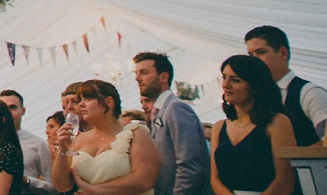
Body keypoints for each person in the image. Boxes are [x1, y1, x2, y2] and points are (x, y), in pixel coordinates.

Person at [53, 80, 159, 195]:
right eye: (81, 100)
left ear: (109, 102)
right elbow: (62, 186)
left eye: (88, 98)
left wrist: (94, 191)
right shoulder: (78, 139)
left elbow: (144, 180)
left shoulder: (136, 133)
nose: (81, 104)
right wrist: (63, 150)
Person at [210, 55, 295, 195]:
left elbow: (284, 181)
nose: (226, 85)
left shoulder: (277, 122)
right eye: (224, 77)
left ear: (255, 87)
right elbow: (215, 179)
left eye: (235, 80)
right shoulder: (219, 127)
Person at [133, 52, 211, 195]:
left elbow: (189, 164)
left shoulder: (176, 108)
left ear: (163, 77)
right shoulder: (160, 110)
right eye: (136, 73)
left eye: (143, 73)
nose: (137, 79)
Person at [244, 26, 327, 145]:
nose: (254, 61)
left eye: (261, 52)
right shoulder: (253, 95)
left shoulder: (309, 93)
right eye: (251, 55)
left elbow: (326, 142)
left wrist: (292, 158)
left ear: (283, 53)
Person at [0, 90, 54, 195]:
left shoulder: (37, 144)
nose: (8, 113)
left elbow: (53, 188)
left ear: (23, 111)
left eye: (12, 107)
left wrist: (27, 181)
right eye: (4, 109)